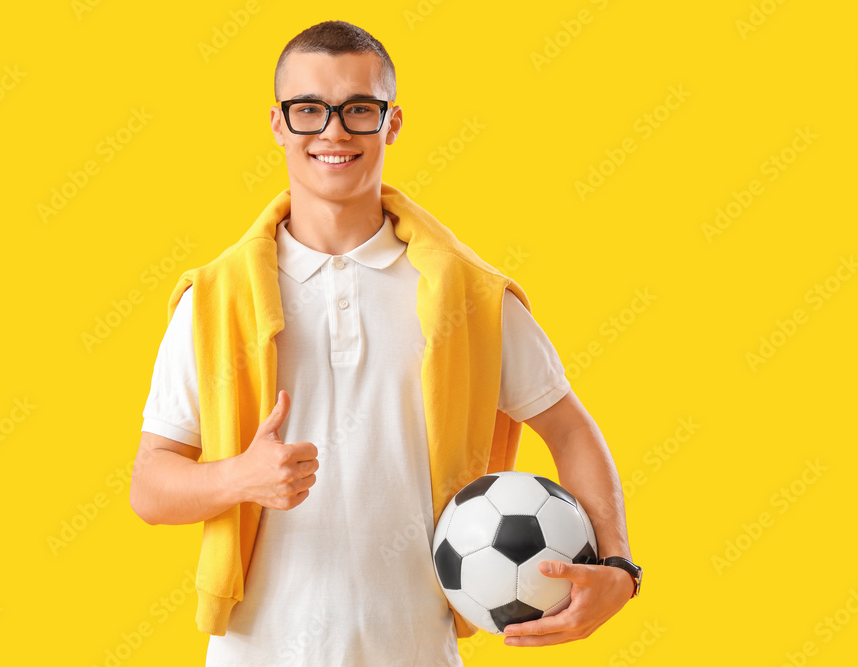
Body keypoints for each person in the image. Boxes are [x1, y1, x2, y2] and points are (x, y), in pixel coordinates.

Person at [129, 20, 640, 666]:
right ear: (278, 124)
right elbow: (150, 484)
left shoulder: (469, 297)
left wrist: (618, 565)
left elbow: (569, 428)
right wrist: (240, 477)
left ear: (391, 123)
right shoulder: (215, 300)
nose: (334, 132)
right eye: (309, 110)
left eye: (359, 110)